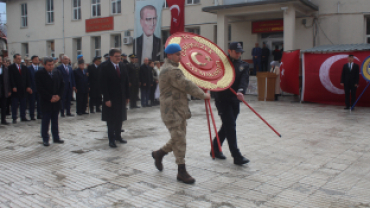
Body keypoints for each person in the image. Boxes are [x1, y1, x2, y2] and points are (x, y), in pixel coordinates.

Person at [151, 43, 211, 184]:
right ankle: (181, 171)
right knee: (180, 139)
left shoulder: (172, 68)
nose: (180, 57)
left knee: (178, 137)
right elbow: (186, 85)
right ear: (169, 55)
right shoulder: (171, 70)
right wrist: (203, 95)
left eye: (180, 54)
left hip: (178, 109)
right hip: (171, 111)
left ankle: (159, 154)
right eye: (178, 54)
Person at [211, 42, 250, 165]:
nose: (239, 54)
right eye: (236, 51)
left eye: (240, 52)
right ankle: (236, 155)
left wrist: (241, 91)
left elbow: (244, 80)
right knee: (231, 126)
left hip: (235, 100)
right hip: (222, 100)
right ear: (229, 51)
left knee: (227, 125)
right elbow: (213, 78)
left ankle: (215, 148)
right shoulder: (221, 64)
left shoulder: (243, 66)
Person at [99, 49, 130, 148]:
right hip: (111, 98)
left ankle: (118, 136)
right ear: (111, 56)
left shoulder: (122, 65)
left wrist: (127, 96)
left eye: (119, 56)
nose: (119, 58)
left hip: (121, 97)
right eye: (116, 56)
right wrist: (106, 99)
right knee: (111, 120)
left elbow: (126, 82)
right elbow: (103, 84)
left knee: (119, 118)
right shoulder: (104, 67)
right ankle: (111, 140)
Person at [35, 57, 64, 146]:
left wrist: (59, 96)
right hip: (46, 101)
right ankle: (45, 138)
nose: (51, 66)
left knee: (55, 120)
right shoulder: (39, 74)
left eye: (52, 64)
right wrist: (50, 97)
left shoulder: (57, 72)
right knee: (46, 120)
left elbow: (62, 85)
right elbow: (40, 88)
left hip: (56, 101)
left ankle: (56, 137)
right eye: (49, 65)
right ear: (44, 65)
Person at [9, 54, 33, 123]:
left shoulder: (24, 67)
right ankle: (14, 117)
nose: (19, 60)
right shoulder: (11, 67)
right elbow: (11, 78)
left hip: (23, 88)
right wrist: (13, 86)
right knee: (15, 104)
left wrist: (28, 86)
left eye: (20, 58)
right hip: (16, 88)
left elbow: (27, 78)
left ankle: (23, 116)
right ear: (14, 59)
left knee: (23, 103)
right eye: (18, 58)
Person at [28, 55, 42, 120]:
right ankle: (32, 115)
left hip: (39, 88)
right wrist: (29, 87)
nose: (37, 60)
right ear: (32, 60)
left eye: (38, 59)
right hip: (32, 88)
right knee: (32, 103)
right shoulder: (28, 69)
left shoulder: (40, 68)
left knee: (39, 103)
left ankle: (39, 114)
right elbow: (27, 79)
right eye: (35, 59)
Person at [0, 56, 11, 125]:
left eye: (0, 59)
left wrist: (9, 90)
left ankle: (3, 120)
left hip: (4, 89)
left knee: (4, 106)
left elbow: (8, 80)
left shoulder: (5, 69)